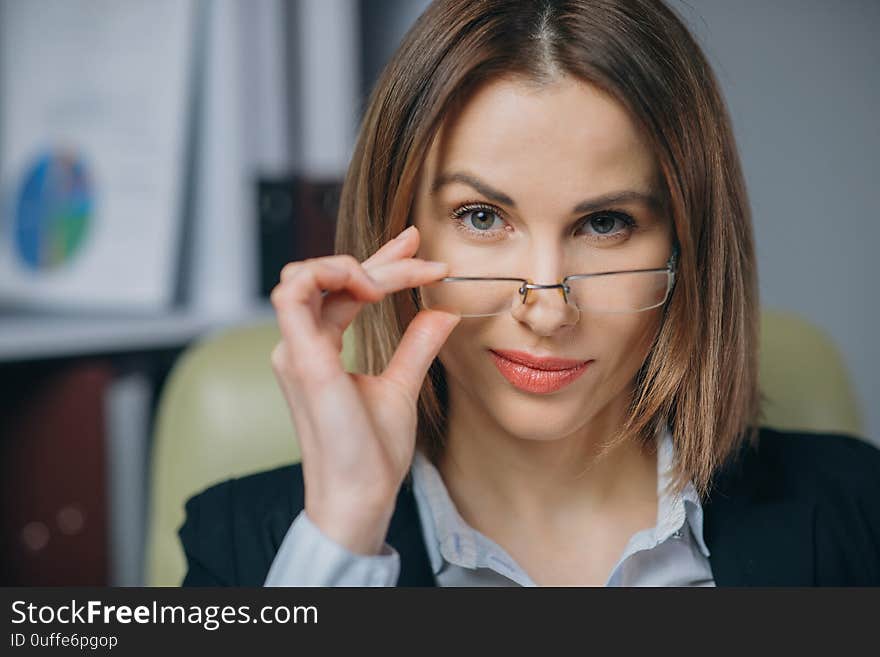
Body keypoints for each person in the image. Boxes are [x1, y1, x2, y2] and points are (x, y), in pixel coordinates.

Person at [178, 0, 880, 586]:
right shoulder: (246, 549)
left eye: (606, 223)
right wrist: (345, 528)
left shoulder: (856, 511)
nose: (547, 309)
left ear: (684, 247)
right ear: (398, 230)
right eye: (481, 218)